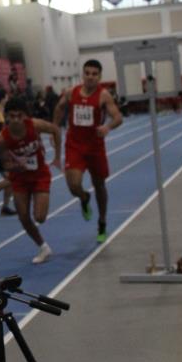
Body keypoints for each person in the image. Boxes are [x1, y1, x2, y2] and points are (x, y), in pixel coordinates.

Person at [52, 60, 123, 243]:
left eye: (94, 74)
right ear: (82, 75)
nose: (90, 77)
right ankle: (84, 198)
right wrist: (55, 129)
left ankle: (102, 222)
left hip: (95, 147)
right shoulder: (71, 92)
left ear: (99, 76)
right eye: (87, 73)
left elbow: (118, 117)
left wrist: (107, 127)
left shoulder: (103, 95)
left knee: (99, 185)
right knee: (73, 185)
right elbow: (59, 108)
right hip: (75, 146)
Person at [0, 97, 62, 265]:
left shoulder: (35, 125)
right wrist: (17, 166)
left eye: (20, 116)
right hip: (19, 179)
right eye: (12, 116)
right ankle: (43, 247)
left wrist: (57, 156)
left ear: (25, 115)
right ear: (6, 116)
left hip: (39, 175)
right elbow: (5, 164)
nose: (16, 120)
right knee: (23, 217)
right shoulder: (2, 139)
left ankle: (43, 242)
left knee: (40, 217)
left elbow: (55, 130)